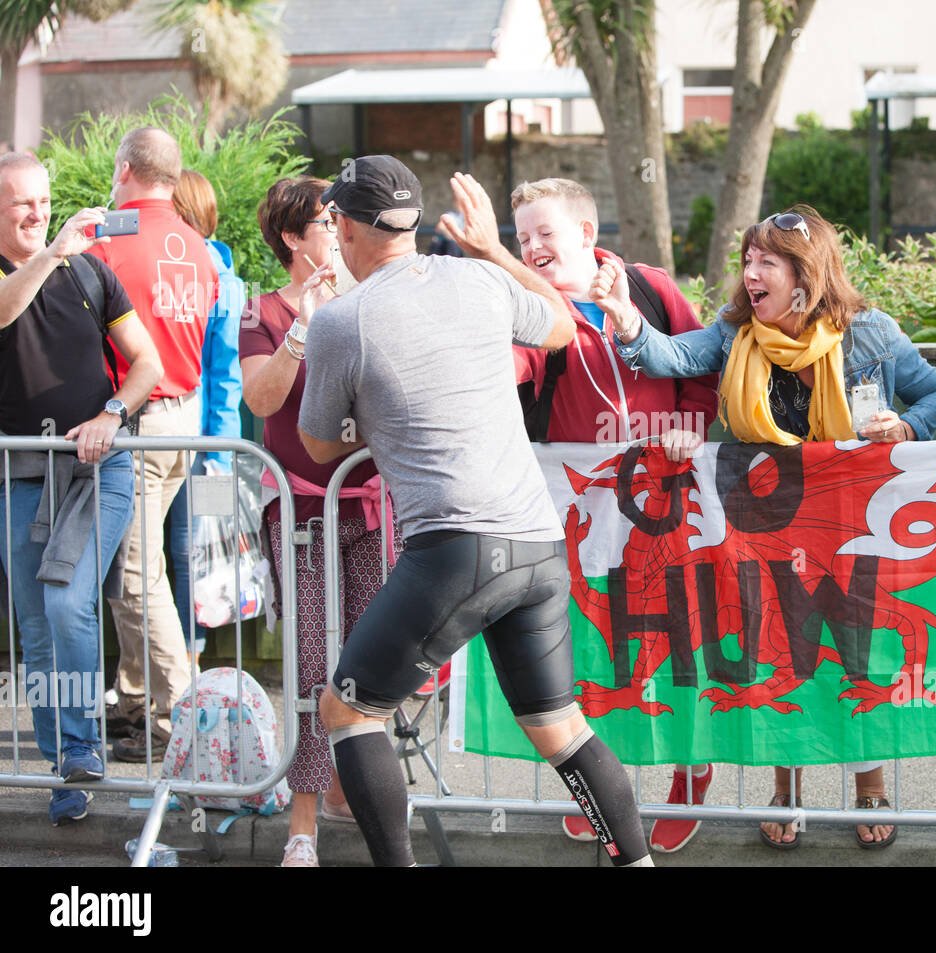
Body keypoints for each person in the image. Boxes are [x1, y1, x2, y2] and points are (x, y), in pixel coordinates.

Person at [300, 156, 650, 867]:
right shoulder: (480, 276)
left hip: (457, 548)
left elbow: (313, 442)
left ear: (345, 226)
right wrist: (492, 250)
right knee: (561, 730)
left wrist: (380, 416)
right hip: (537, 546)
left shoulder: (341, 320)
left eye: (334, 223)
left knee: (349, 712)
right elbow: (559, 326)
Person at [606, 204, 936, 849]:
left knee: (853, 648)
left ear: (806, 273)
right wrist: (628, 322)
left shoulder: (869, 333)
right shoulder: (735, 330)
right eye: (748, 261)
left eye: (768, 261)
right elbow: (670, 357)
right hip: (759, 523)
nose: (751, 273)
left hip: (844, 525)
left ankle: (869, 786)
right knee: (776, 646)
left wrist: (907, 427)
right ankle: (787, 787)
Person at [510, 176, 719, 852]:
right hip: (588, 507)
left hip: (672, 497)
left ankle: (692, 773)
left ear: (586, 237)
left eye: (545, 233)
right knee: (599, 646)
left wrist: (695, 424)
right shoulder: (532, 308)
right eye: (522, 238)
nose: (533, 247)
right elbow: (512, 375)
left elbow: (702, 365)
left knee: (682, 637)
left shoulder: (650, 286)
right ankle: (601, 781)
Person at [239, 175, 398, 867]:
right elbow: (261, 397)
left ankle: (359, 800)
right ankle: (300, 827)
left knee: (371, 668)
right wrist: (303, 327)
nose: (340, 230)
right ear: (293, 238)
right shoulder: (262, 311)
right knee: (310, 669)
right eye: (326, 222)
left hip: (368, 503)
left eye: (342, 220)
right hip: (301, 508)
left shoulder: (371, 299)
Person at [0, 152, 162, 822]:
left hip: (99, 467)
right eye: (22, 205)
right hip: (19, 474)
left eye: (43, 201)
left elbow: (146, 362)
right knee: (36, 627)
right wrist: (52, 253)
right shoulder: (39, 267)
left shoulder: (92, 271)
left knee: (67, 604)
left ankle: (83, 746)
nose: (39, 214)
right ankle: (64, 770)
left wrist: (112, 415)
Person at [91, 127, 218, 762]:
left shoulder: (108, 237)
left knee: (135, 578)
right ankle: (136, 699)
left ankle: (181, 715)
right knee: (138, 569)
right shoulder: (199, 246)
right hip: (183, 420)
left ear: (124, 169)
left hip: (135, 420)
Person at [166, 168, 246, 664]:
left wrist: (218, 456)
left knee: (193, 554)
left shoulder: (221, 281)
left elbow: (227, 376)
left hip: (208, 449)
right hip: (178, 441)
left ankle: (189, 660)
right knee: (172, 554)